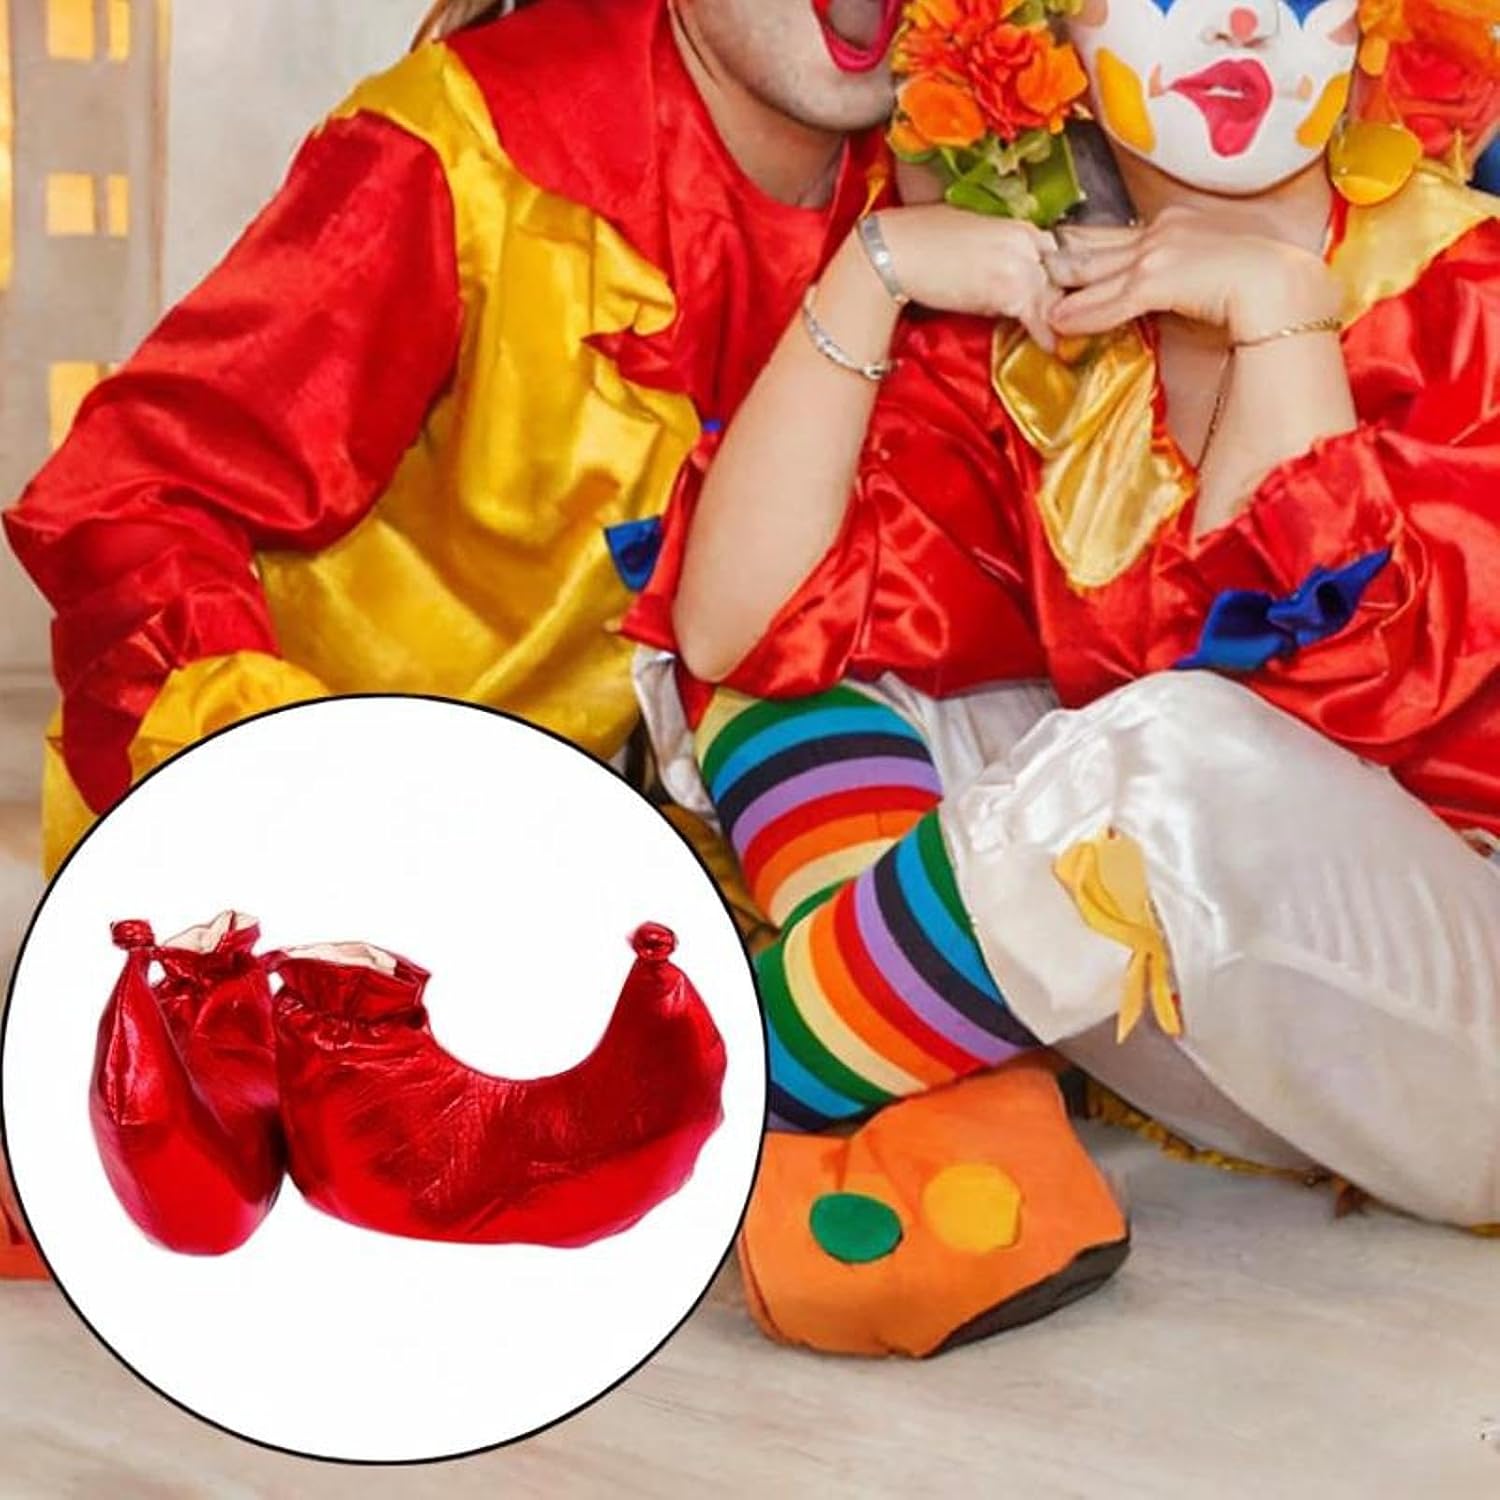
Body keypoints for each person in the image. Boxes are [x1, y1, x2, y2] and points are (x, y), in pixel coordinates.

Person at [624, 0, 1500, 1356]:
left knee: (1174, 753)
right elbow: (736, 630)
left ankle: (680, 1100)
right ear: (1046, 44)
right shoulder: (1064, 335)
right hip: (1231, 1040)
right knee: (818, 650)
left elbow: (1328, 719)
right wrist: (871, 271)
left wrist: (1280, 317)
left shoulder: (1468, 296)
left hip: (1461, 1024)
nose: (1239, 22)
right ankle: (966, 1123)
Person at [0, 0, 905, 1278]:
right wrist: (285, 776)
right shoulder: (464, 156)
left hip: (639, 880)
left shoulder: (960, 184)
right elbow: (135, 495)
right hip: (322, 905)